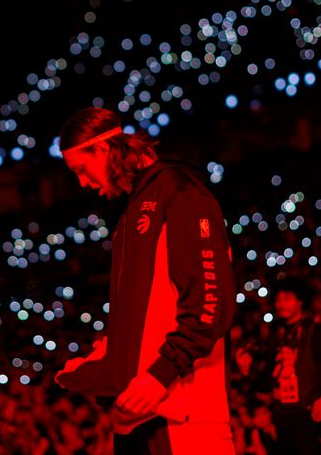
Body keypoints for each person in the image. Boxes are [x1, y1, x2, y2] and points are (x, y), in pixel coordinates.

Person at [53, 107, 237, 454]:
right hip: (141, 415)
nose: (82, 182)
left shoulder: (179, 193)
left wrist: (161, 372)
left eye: (82, 169)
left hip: (184, 416)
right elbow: (149, 316)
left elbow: (211, 303)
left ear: (104, 150)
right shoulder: (132, 210)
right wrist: (108, 360)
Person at [235, 278, 321, 455]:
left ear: (300, 301)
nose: (281, 303)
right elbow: (266, 384)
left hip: (311, 419)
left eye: (287, 298)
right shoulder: (276, 337)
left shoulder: (317, 333)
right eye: (278, 299)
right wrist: (247, 371)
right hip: (283, 421)